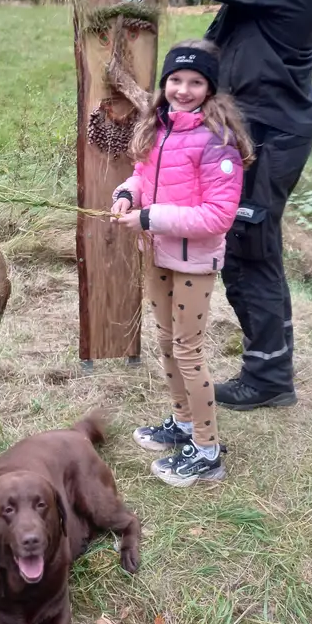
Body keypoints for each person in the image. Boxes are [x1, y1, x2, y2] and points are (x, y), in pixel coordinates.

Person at [143, 0, 312, 411]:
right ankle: (268, 367)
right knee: (254, 244)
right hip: (261, 126)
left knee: (252, 247)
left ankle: (270, 379)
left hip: (270, 134)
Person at [112, 41, 254, 486]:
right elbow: (143, 175)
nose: (184, 89)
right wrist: (126, 195)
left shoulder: (218, 141)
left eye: (195, 82)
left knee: (189, 352)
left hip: (193, 262)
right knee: (167, 342)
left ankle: (208, 452)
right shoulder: (159, 127)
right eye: (176, 79)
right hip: (155, 253)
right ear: (165, 83)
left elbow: (218, 215)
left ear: (210, 88)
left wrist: (150, 217)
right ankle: (183, 424)